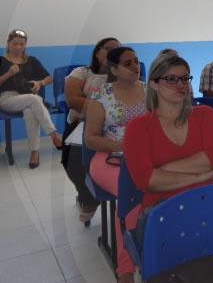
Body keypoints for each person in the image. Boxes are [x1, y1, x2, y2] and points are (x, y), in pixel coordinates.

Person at [124, 54, 213, 262]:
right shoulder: (138, 128)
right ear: (154, 84)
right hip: (161, 208)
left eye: (185, 79)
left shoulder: (205, 114)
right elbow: (146, 181)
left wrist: (164, 170)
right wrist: (196, 177)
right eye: (171, 79)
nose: (181, 85)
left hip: (206, 201)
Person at [84, 47, 146, 283]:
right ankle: (126, 269)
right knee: (130, 195)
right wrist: (122, 145)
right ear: (114, 69)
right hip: (108, 158)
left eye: (136, 61)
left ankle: (155, 249)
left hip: (143, 157)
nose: (135, 66)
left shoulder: (150, 90)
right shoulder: (102, 96)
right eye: (127, 63)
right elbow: (90, 138)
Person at [62, 37, 120, 223]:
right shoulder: (82, 72)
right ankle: (88, 197)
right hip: (81, 124)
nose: (112, 53)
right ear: (97, 52)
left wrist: (100, 109)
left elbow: (131, 101)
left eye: (117, 50)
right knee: (71, 161)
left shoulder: (122, 75)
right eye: (108, 49)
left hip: (114, 126)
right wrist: (105, 109)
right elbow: (73, 100)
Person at [0, 29, 62, 168]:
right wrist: (8, 74)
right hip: (7, 98)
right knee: (35, 100)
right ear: (8, 44)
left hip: (28, 98)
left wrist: (40, 83)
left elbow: (49, 77)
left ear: (25, 45)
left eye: (21, 44)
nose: (18, 47)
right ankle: (54, 135)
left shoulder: (31, 60)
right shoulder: (1, 61)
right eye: (15, 43)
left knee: (30, 112)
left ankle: (34, 152)